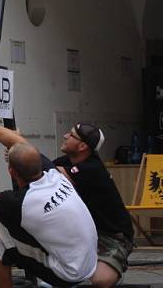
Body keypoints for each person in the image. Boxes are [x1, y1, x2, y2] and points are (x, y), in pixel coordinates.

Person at [0, 115, 98, 288]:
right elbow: (20, 141)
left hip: (69, 274)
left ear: (12, 172)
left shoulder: (21, 202)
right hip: (89, 262)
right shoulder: (55, 176)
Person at [54, 123, 134, 288]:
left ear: (82, 146)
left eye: (71, 135)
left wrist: (19, 147)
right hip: (83, 231)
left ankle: (111, 263)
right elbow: (39, 168)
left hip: (113, 236)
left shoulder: (92, 168)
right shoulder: (67, 161)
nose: (65, 136)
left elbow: (41, 167)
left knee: (101, 281)